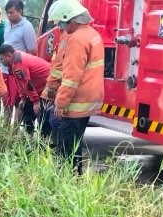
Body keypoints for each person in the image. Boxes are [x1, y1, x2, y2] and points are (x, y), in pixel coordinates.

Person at [51, 0, 104, 175]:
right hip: (89, 100)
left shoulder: (76, 39)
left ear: (72, 21)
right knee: (76, 145)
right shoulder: (93, 34)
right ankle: (75, 180)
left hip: (75, 102)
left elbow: (71, 78)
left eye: (62, 23)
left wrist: (60, 102)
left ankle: (68, 181)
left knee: (67, 151)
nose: (61, 27)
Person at [0, 44, 51, 139]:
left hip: (46, 85)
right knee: (27, 113)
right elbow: (19, 82)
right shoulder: (14, 60)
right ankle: (29, 138)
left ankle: (45, 141)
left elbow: (27, 83)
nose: (0, 62)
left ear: (9, 56)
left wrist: (36, 101)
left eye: (2, 59)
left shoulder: (18, 64)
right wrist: (22, 98)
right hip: (37, 87)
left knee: (41, 114)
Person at [2, 0, 38, 119]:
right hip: (5, 69)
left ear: (20, 11)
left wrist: (20, 65)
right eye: (7, 13)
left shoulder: (27, 27)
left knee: (18, 100)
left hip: (18, 70)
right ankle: (5, 128)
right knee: (6, 98)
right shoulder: (7, 25)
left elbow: (32, 51)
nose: (9, 15)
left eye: (12, 12)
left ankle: (16, 130)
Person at [41, 1, 68, 146]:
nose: (57, 25)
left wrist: (52, 90)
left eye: (58, 22)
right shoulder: (65, 36)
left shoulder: (69, 38)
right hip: (60, 88)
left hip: (62, 90)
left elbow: (60, 68)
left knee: (56, 121)